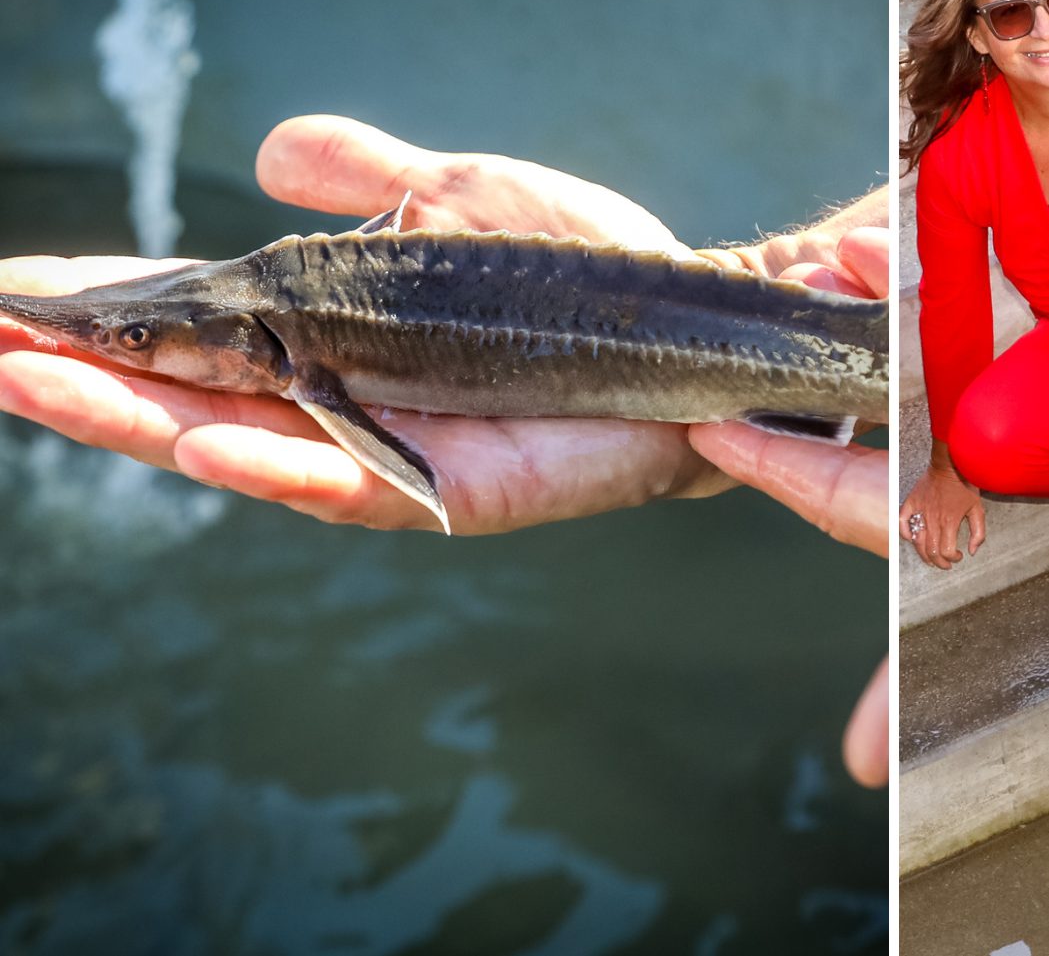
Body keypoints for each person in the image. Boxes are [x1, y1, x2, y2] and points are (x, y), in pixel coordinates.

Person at [0, 114, 888, 786]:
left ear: (256, 343)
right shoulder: (275, 308)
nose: (123, 343)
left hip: (833, 342)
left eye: (134, 340)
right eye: (134, 337)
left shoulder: (307, 370)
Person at [900, 0, 1049, 570]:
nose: (1044, 29)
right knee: (983, 440)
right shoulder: (961, 150)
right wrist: (943, 467)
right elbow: (953, 311)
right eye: (1014, 14)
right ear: (979, 36)